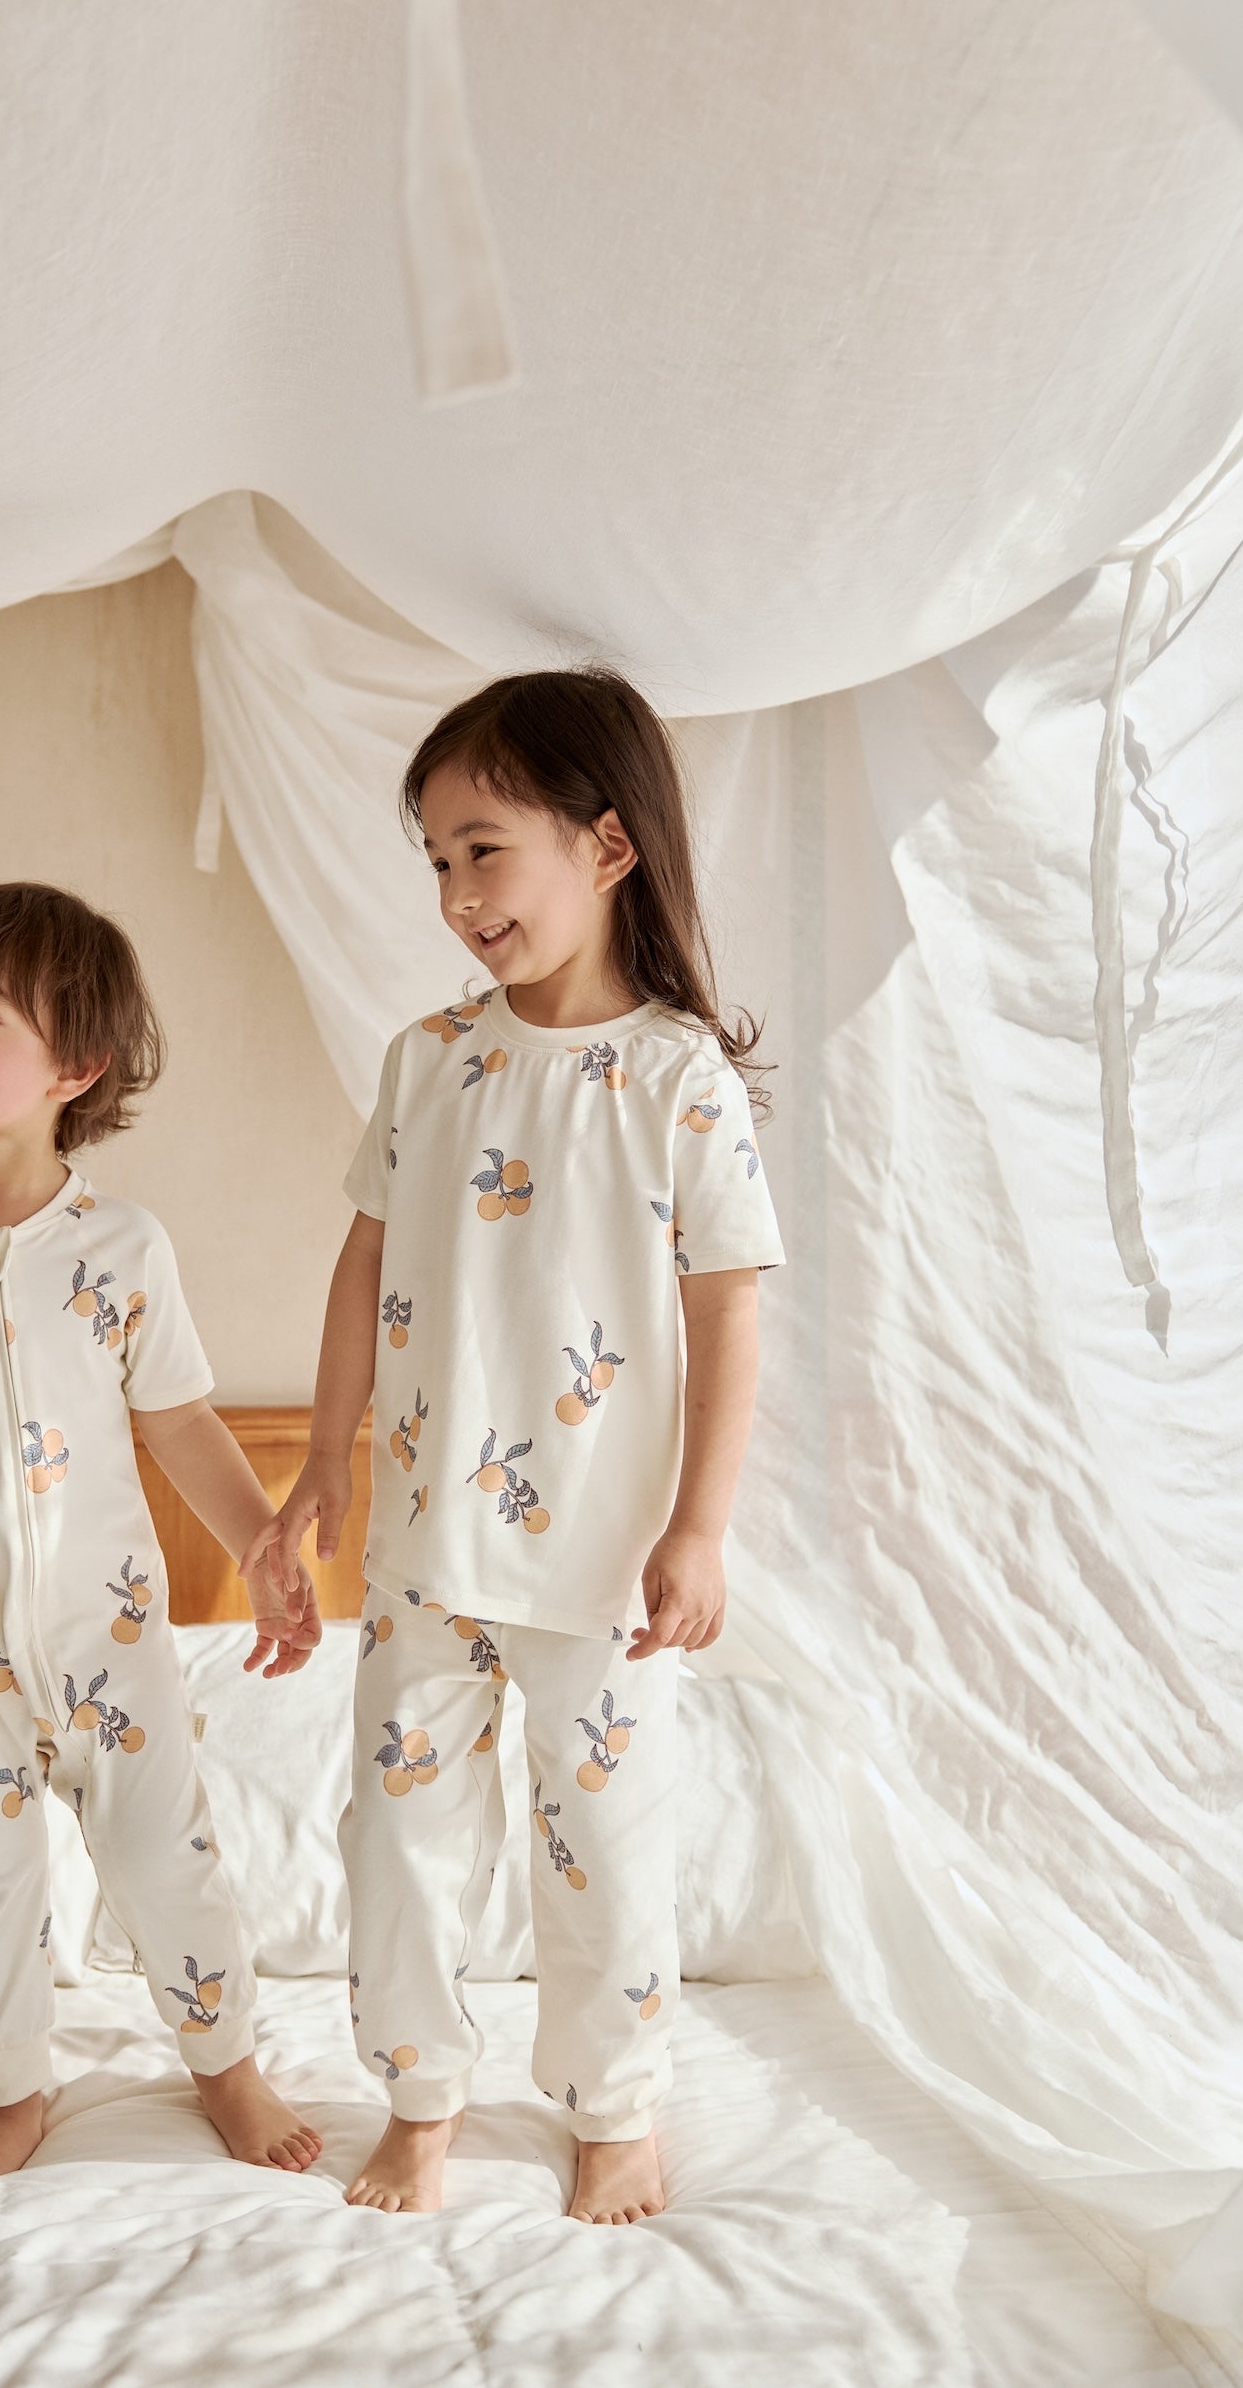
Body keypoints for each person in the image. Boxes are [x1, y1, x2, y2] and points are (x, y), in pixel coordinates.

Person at [250, 668, 786, 2223]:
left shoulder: (677, 1077)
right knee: (398, 1837)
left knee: (601, 1843)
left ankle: (611, 2104)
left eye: (482, 849)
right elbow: (364, 1256)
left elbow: (728, 1308)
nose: (454, 893)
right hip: (425, 1543)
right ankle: (419, 2095)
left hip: (602, 1560)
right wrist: (327, 1460)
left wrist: (700, 1526)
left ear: (607, 845)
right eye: (435, 859)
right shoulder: (428, 1057)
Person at [0, 881, 322, 2185]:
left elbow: (179, 1420)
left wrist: (262, 1546)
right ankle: (8, 2094)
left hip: (109, 1639)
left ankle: (228, 2069)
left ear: (75, 1066)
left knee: (163, 1858)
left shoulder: (122, 1248)